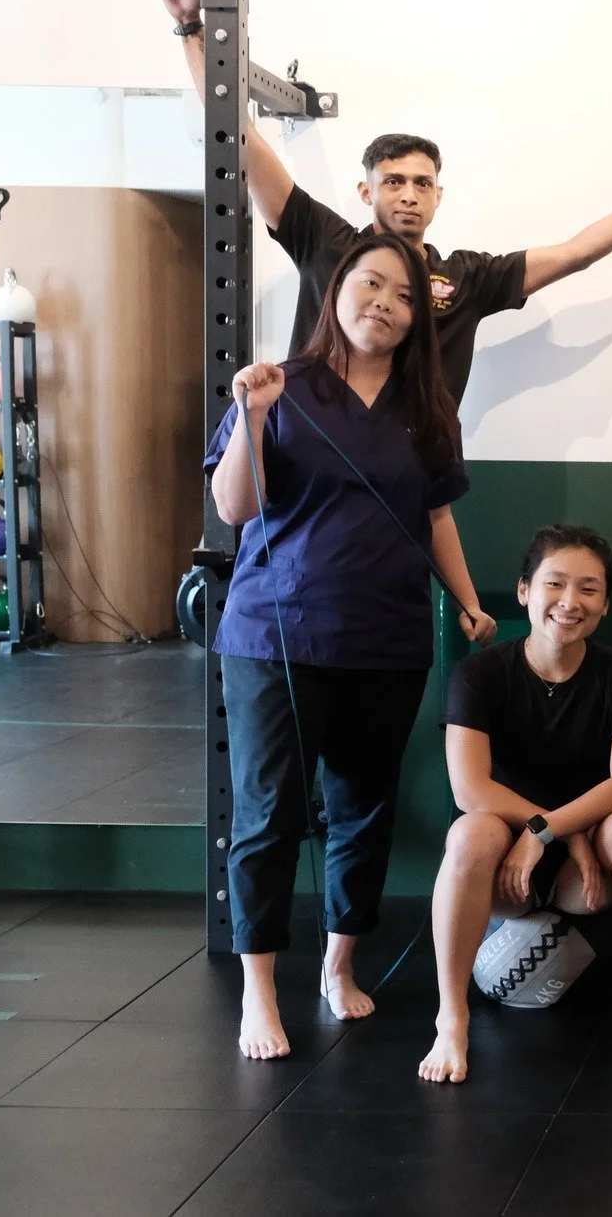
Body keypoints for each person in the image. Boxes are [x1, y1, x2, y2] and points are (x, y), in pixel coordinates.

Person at [207, 233, 499, 1062]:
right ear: (337, 291)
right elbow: (235, 507)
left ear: (416, 317)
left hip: (387, 640)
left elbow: (436, 516)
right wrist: (252, 418)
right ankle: (258, 990)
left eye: (404, 296)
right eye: (370, 284)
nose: (385, 303)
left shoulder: (427, 407)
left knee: (362, 812)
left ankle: (340, 965)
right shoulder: (278, 387)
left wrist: (471, 605)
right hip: (275, 640)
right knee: (268, 817)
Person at [155, 0, 612, 402]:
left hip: (413, 479)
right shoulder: (325, 241)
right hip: (316, 463)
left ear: (439, 194)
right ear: (367, 192)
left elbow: (579, 252)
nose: (409, 194)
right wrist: (190, 29)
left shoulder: (465, 277)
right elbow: (241, 137)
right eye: (393, 182)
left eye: (423, 183)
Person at [420, 524, 612, 1082]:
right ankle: (452, 1020)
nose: (570, 603)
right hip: (506, 869)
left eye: (589, 590)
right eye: (555, 584)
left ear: (605, 604)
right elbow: (471, 789)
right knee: (471, 831)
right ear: (523, 591)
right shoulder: (479, 674)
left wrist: (552, 836)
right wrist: (556, 833)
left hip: (581, 877)